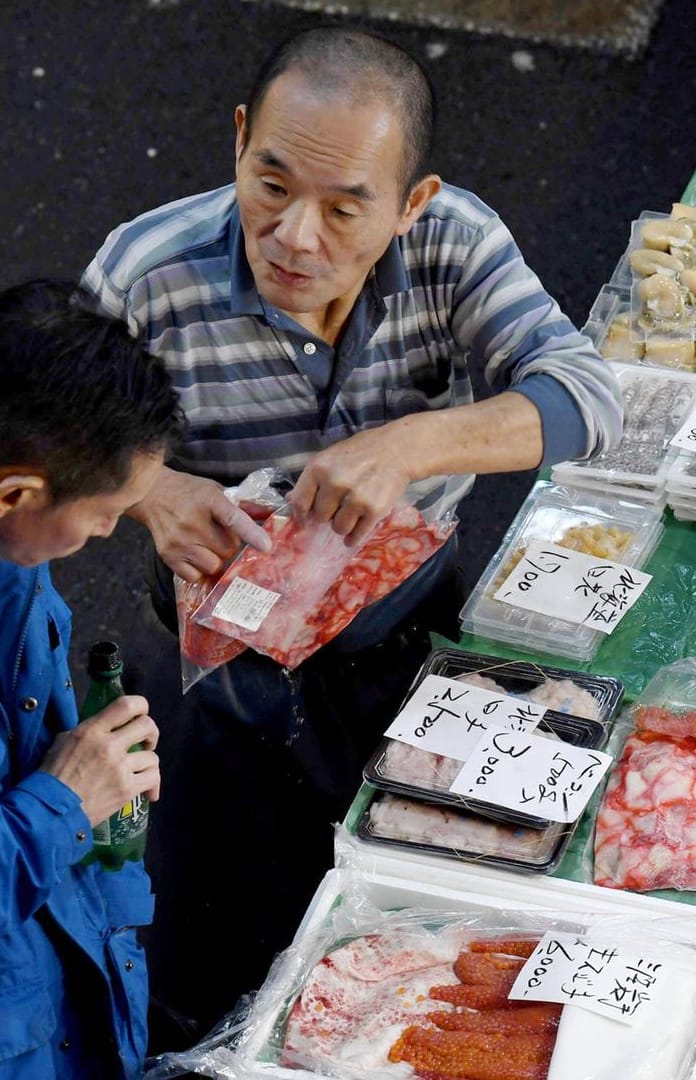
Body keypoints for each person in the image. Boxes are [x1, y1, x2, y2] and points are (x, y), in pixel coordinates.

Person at [79, 27, 625, 1040]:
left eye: (344, 209)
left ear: (412, 202)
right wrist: (150, 488)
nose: (295, 237)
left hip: (403, 631)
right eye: (271, 185)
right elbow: (41, 433)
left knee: (417, 907)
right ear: (240, 140)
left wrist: (411, 443)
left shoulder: (456, 241)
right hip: (214, 654)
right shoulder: (146, 274)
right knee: (205, 920)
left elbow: (588, 396)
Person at [0, 280, 184, 1077]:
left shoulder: (16, 557)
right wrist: (66, 802)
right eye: (108, 513)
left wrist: (103, 784)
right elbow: (55, 799)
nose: (112, 532)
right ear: (16, 491)